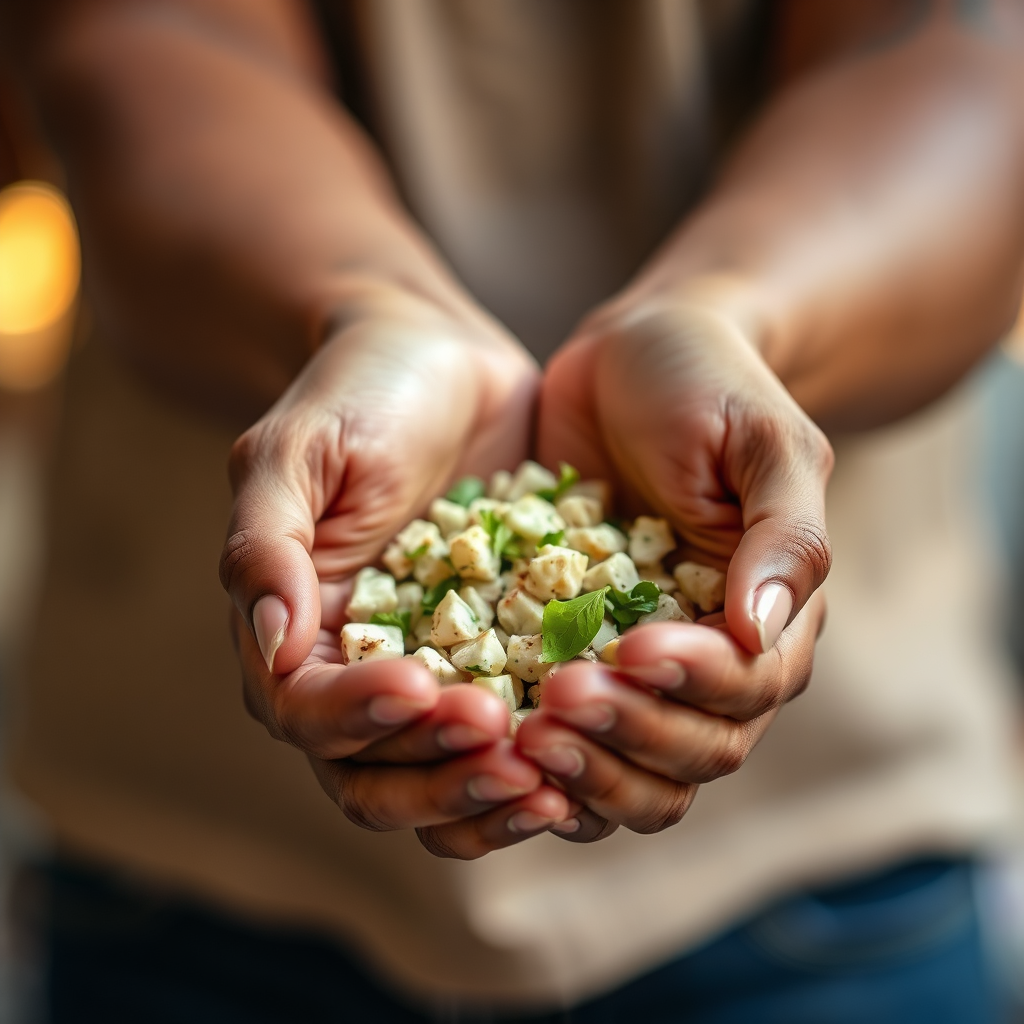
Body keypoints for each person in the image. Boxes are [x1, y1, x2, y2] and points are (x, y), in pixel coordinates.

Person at [3, 1, 1024, 1020]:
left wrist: (733, 320)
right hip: (196, 837)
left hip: (822, 848)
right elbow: (144, 39)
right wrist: (358, 308)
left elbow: (964, 58)